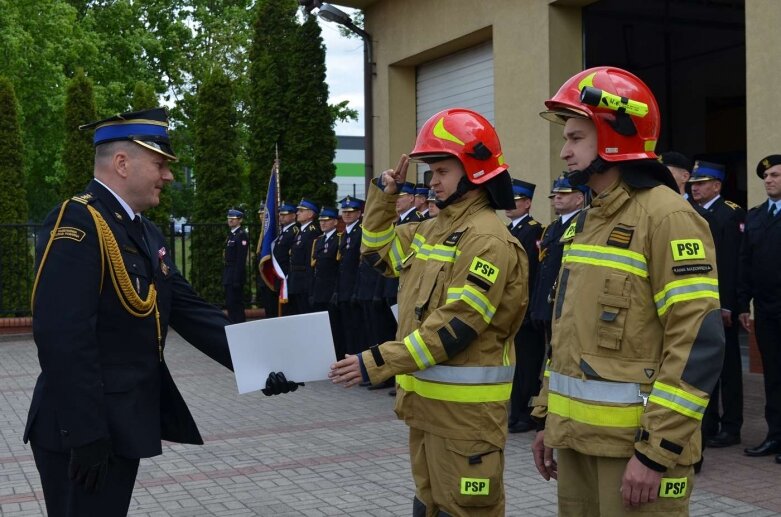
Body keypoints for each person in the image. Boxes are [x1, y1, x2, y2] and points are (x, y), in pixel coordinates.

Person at [23, 108, 298, 517]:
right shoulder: (78, 221)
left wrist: (264, 365)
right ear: (121, 163)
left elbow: (192, 312)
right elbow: (63, 336)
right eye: (159, 163)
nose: (168, 175)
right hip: (80, 429)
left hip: (120, 424)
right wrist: (85, 433)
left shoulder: (144, 231)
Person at [530, 67, 724, 515]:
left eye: (577, 137)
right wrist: (547, 419)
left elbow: (697, 342)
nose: (564, 151)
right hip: (577, 443)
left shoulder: (667, 217)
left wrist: (657, 451)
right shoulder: (586, 220)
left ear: (618, 134)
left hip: (639, 456)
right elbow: (567, 332)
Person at [330, 108, 528, 516]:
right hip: (427, 410)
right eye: (430, 172)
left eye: (441, 171)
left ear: (474, 170)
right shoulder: (432, 228)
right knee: (430, 506)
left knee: (467, 510)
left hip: (466, 421)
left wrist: (377, 362)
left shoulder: (488, 239)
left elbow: (456, 325)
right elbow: (377, 250)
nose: (432, 182)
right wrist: (385, 195)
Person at [688, 160, 746, 448]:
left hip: (721, 305)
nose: (695, 188)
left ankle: (731, 425)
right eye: (693, 183)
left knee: (729, 369)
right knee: (705, 365)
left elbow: (730, 264)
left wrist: (728, 305)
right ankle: (708, 423)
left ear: (717, 186)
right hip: (701, 303)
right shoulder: (692, 213)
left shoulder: (728, 214)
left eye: (701, 183)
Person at [738, 154, 781, 463]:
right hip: (766, 312)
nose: (769, 180)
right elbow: (746, 265)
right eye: (766, 176)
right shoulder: (755, 217)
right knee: (773, 378)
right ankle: (775, 435)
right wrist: (742, 304)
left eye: (776, 175)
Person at [370, 181, 423, 392]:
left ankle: (399, 376)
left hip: (406, 289)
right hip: (392, 287)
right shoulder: (399, 221)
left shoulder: (417, 222)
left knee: (405, 335)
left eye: (401, 196)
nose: (398, 200)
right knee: (393, 334)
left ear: (411, 198)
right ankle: (392, 375)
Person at [506, 179, 545, 434]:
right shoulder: (507, 230)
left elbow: (534, 275)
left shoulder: (535, 231)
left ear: (528, 203)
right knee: (514, 363)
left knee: (528, 364)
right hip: (510, 309)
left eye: (516, 200)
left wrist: (531, 309)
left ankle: (527, 413)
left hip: (526, 309)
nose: (510, 205)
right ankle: (514, 411)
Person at [528, 176, 587, 344]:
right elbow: (543, 267)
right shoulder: (551, 228)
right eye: (555, 195)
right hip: (545, 303)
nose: (557, 197)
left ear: (579, 198)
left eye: (564, 193)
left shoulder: (584, 225)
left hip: (566, 304)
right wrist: (536, 304)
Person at [335, 196, 365, 356]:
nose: (346, 214)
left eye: (350, 212)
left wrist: (355, 290)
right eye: (344, 212)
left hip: (355, 287)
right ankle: (349, 356)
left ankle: (356, 358)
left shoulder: (360, 232)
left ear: (359, 213)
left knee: (356, 328)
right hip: (344, 289)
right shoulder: (345, 233)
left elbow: (359, 264)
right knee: (347, 327)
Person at [287, 198, 321, 315]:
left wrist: (310, 287)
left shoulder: (312, 232)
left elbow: (310, 260)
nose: (297, 213)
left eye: (301, 211)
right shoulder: (301, 232)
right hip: (296, 280)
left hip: (304, 283)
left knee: (305, 312)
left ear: (310, 214)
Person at [269, 201, 299, 317]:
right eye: (280, 214)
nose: (281, 217)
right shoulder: (283, 232)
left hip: (286, 275)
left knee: (289, 310)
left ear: (293, 215)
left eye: (284, 214)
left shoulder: (294, 231)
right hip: (279, 276)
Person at [223, 208, 249, 323]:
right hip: (229, 272)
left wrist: (237, 279)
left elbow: (240, 259)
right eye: (229, 218)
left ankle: (239, 324)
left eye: (233, 219)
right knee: (230, 303)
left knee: (236, 303)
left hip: (235, 274)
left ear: (240, 220)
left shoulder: (241, 235)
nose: (230, 221)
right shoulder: (232, 235)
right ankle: (233, 323)